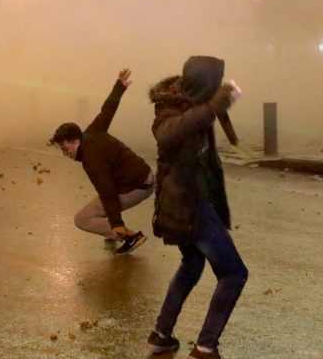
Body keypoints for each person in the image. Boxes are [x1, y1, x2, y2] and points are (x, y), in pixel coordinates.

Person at [146, 56, 247, 359]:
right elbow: (168, 133)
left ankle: (161, 335)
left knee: (191, 265)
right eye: (215, 81)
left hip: (193, 204)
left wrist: (222, 108)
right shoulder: (170, 110)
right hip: (188, 208)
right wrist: (213, 106)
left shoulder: (197, 105)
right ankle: (206, 347)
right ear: (204, 84)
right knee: (234, 274)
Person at [48, 68, 153, 255]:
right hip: (144, 174)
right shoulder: (92, 131)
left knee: (83, 219)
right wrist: (119, 87)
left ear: (76, 141)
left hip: (137, 187)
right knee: (102, 207)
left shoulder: (91, 160)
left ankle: (130, 236)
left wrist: (117, 224)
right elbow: (107, 110)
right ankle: (112, 231)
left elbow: (108, 192)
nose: (65, 154)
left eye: (66, 148)